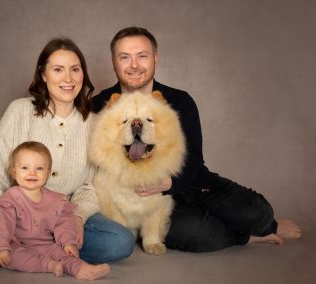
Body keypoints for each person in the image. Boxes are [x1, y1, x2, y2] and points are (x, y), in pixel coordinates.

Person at [92, 26, 301, 252]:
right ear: (113, 61)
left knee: (257, 212)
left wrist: (170, 183)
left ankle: (269, 225)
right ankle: (245, 237)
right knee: (200, 234)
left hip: (191, 181)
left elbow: (194, 157)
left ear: (155, 59)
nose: (134, 65)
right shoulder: (99, 106)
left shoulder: (179, 101)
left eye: (141, 56)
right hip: (141, 198)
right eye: (125, 57)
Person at [0, 37, 135, 267]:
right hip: (12, 210)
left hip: (62, 216)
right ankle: (28, 245)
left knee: (120, 242)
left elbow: (93, 184)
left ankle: (33, 247)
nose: (68, 78)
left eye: (75, 70)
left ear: (83, 75)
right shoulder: (20, 111)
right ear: (43, 74)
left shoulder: (94, 123)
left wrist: (78, 218)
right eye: (58, 69)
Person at [0, 141, 110, 280]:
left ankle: (81, 269)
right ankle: (48, 266)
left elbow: (64, 223)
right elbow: (3, 225)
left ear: (48, 173)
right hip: (19, 244)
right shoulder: (11, 197)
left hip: (47, 244)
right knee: (12, 257)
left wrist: (68, 242)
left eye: (40, 168)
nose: (32, 173)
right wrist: (2, 247)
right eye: (25, 167)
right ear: (14, 172)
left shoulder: (56, 200)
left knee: (64, 254)